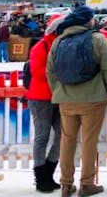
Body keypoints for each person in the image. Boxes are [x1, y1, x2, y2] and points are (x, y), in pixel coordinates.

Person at [47, 6, 107, 197]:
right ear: (88, 21)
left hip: (66, 100)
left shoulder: (58, 41)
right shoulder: (98, 39)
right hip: (93, 99)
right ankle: (87, 183)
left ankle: (66, 184)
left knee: (67, 141)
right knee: (89, 141)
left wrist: (59, 92)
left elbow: (50, 72)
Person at [26, 12, 69, 193]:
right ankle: (41, 175)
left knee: (61, 135)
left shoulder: (64, 45)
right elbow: (37, 71)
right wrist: (60, 72)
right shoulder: (40, 47)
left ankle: (48, 173)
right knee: (42, 136)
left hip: (59, 97)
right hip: (41, 98)